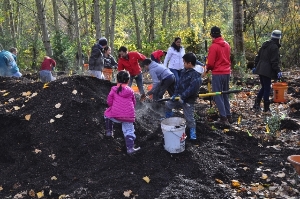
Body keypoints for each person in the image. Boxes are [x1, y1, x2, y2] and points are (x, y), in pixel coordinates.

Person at [165, 53, 202, 140]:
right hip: (179, 96)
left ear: (189, 63)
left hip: (188, 99)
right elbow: (179, 84)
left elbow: (192, 89)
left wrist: (183, 97)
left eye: (184, 62)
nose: (183, 64)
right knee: (168, 104)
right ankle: (168, 119)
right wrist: (175, 93)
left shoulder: (196, 75)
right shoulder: (183, 71)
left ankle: (193, 131)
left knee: (189, 117)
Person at [104, 70, 141, 155]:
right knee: (129, 131)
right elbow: (134, 102)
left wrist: (112, 106)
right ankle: (130, 148)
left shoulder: (114, 89)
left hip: (116, 115)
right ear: (128, 81)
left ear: (117, 80)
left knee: (106, 114)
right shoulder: (131, 91)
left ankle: (109, 132)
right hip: (129, 116)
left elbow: (109, 101)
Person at [206, 26, 232, 127]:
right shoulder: (226, 44)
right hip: (227, 72)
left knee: (217, 95)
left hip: (218, 73)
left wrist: (207, 68)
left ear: (212, 35)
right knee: (225, 94)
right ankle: (228, 115)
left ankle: (223, 118)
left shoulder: (213, 46)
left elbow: (211, 63)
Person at [252, 30, 282, 112]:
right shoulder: (274, 47)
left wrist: (256, 66)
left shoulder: (265, 44)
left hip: (260, 68)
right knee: (267, 88)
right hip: (266, 70)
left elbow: (257, 57)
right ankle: (266, 108)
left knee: (264, 87)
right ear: (279, 38)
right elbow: (274, 62)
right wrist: (278, 71)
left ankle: (256, 104)